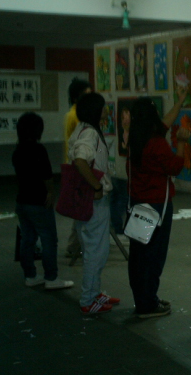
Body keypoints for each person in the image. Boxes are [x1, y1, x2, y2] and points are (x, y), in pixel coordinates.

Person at [126, 90, 189, 319]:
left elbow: (165, 123)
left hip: (138, 205)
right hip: (155, 207)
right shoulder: (156, 143)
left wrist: (180, 102)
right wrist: (181, 142)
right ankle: (147, 305)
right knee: (153, 256)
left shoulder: (137, 137)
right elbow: (175, 167)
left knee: (139, 255)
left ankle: (144, 298)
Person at [68, 92, 119, 314]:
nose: (106, 110)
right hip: (94, 200)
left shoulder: (82, 129)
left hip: (84, 199)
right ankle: (88, 299)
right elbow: (81, 160)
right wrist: (96, 186)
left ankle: (95, 293)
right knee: (95, 251)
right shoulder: (89, 133)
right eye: (103, 107)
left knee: (94, 248)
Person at [13, 112, 74, 290]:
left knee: (28, 239)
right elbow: (47, 176)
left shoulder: (17, 150)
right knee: (49, 239)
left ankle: (30, 275)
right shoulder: (38, 150)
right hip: (38, 201)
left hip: (22, 200)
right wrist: (51, 192)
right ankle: (51, 277)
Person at [64, 78, 92, 257]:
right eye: (85, 95)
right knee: (81, 208)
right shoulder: (76, 116)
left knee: (82, 208)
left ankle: (76, 245)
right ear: (76, 98)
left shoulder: (77, 113)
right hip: (78, 167)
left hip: (77, 165)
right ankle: (73, 246)